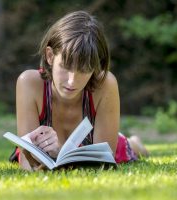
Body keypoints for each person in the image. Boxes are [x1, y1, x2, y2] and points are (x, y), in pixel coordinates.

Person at [10, 10, 148, 171]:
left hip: (96, 144)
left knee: (125, 148)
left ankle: (135, 143)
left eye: (84, 70)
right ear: (50, 56)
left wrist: (60, 152)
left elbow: (103, 162)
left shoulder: (105, 84)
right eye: (65, 66)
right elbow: (27, 165)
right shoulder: (29, 83)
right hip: (48, 151)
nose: (72, 81)